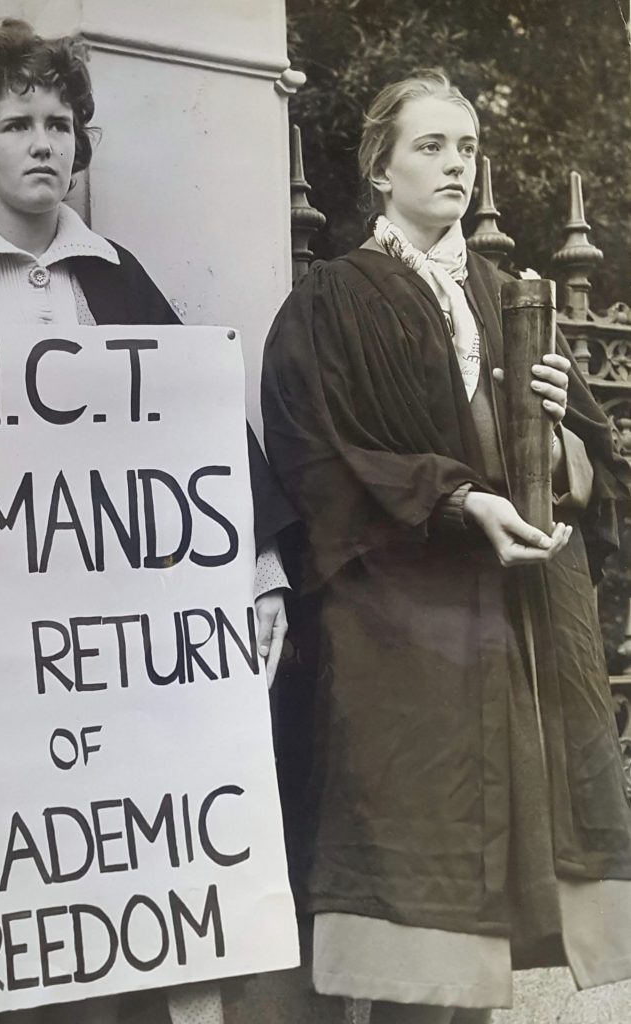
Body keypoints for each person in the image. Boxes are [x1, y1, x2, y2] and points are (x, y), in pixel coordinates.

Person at [0, 19, 295, 1024]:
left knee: (92, 911)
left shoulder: (119, 283)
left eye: (60, 123)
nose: (43, 143)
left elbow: (203, 434)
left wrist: (256, 567)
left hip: (99, 685)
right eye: (18, 123)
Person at [261, 69, 631, 1023]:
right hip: (400, 636)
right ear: (378, 168)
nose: (455, 166)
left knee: (482, 944)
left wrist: (554, 436)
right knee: (408, 932)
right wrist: (457, 500)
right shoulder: (330, 302)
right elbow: (319, 460)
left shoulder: (512, 299)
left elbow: (588, 468)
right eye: (429, 146)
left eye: (465, 148)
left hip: (507, 632)